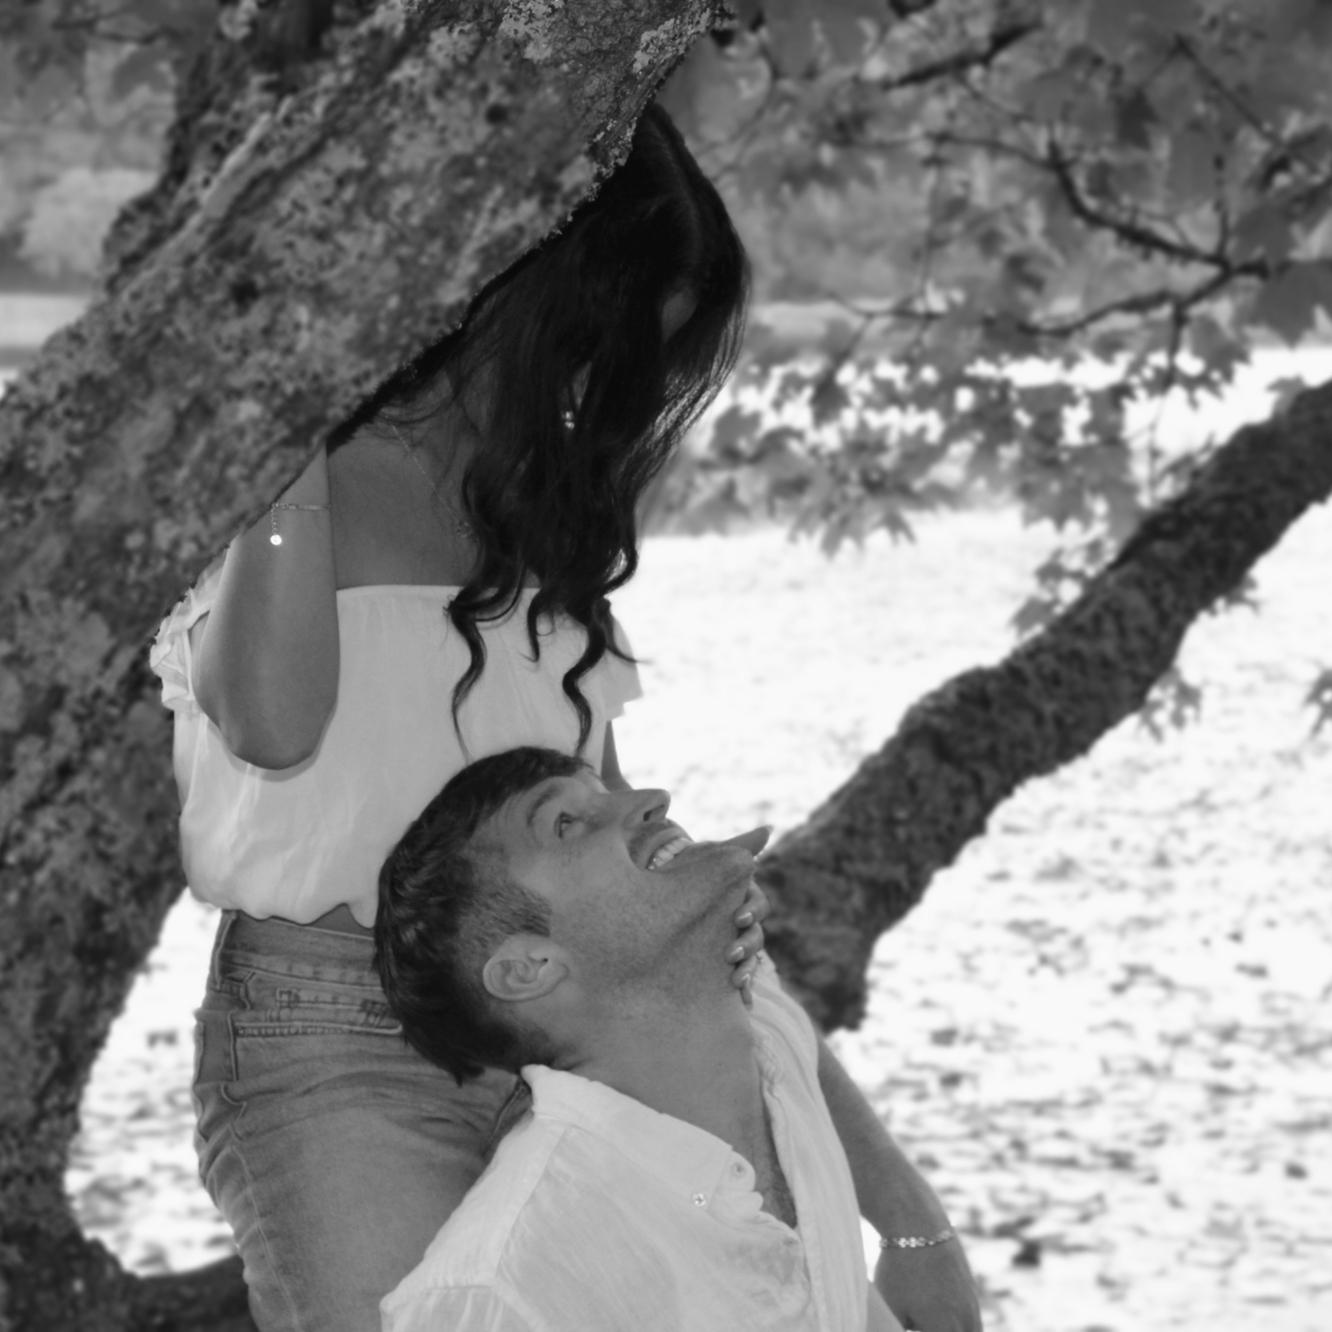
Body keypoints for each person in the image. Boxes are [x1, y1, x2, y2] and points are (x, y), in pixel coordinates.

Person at [151, 102, 977, 1332]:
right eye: (611, 344)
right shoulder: (293, 477)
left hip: (581, 1037)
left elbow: (685, 929)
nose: (609, 392)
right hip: (333, 1049)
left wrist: (901, 1209)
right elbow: (271, 726)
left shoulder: (540, 519)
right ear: (527, 291)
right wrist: (293, 421)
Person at [375, 746, 949, 1331]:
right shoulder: (505, 1287)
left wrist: (919, 1231)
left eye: (604, 793)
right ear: (529, 969)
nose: (653, 799)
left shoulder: (775, 1042)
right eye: (566, 823)